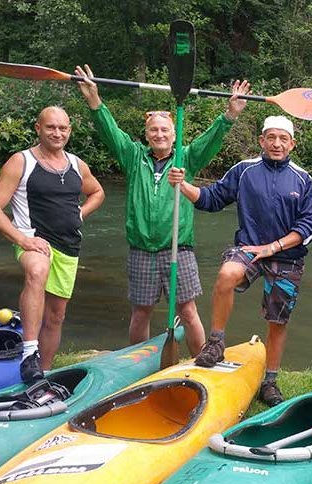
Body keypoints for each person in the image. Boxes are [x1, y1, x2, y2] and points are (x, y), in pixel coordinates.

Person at [74, 64, 249, 357]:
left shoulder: (187, 158)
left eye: (165, 130)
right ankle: (135, 364)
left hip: (178, 249)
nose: (159, 135)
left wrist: (230, 114)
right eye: (154, 130)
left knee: (188, 310)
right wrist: (94, 100)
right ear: (146, 134)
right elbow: (110, 132)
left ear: (173, 132)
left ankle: (199, 361)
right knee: (141, 312)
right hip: (141, 248)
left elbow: (211, 139)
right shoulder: (133, 157)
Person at [168, 115, 312, 406]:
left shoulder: (302, 178)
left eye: (283, 139)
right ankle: (216, 343)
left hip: (286, 256)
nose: (276, 143)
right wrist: (183, 184)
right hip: (248, 248)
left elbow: (307, 227)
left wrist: (272, 247)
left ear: (292, 144)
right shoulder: (244, 171)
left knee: (277, 321)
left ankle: (270, 382)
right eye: (271, 137)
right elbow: (211, 199)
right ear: (261, 140)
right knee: (227, 274)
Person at [0, 106, 104, 382]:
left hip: (70, 245)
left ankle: (43, 374)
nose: (57, 133)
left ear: (69, 131)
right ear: (38, 128)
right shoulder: (21, 162)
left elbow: (97, 192)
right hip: (33, 240)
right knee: (37, 271)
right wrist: (22, 239)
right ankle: (29, 353)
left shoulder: (76, 164)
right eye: (51, 127)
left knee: (56, 315)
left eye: (63, 128)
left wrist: (80, 213)